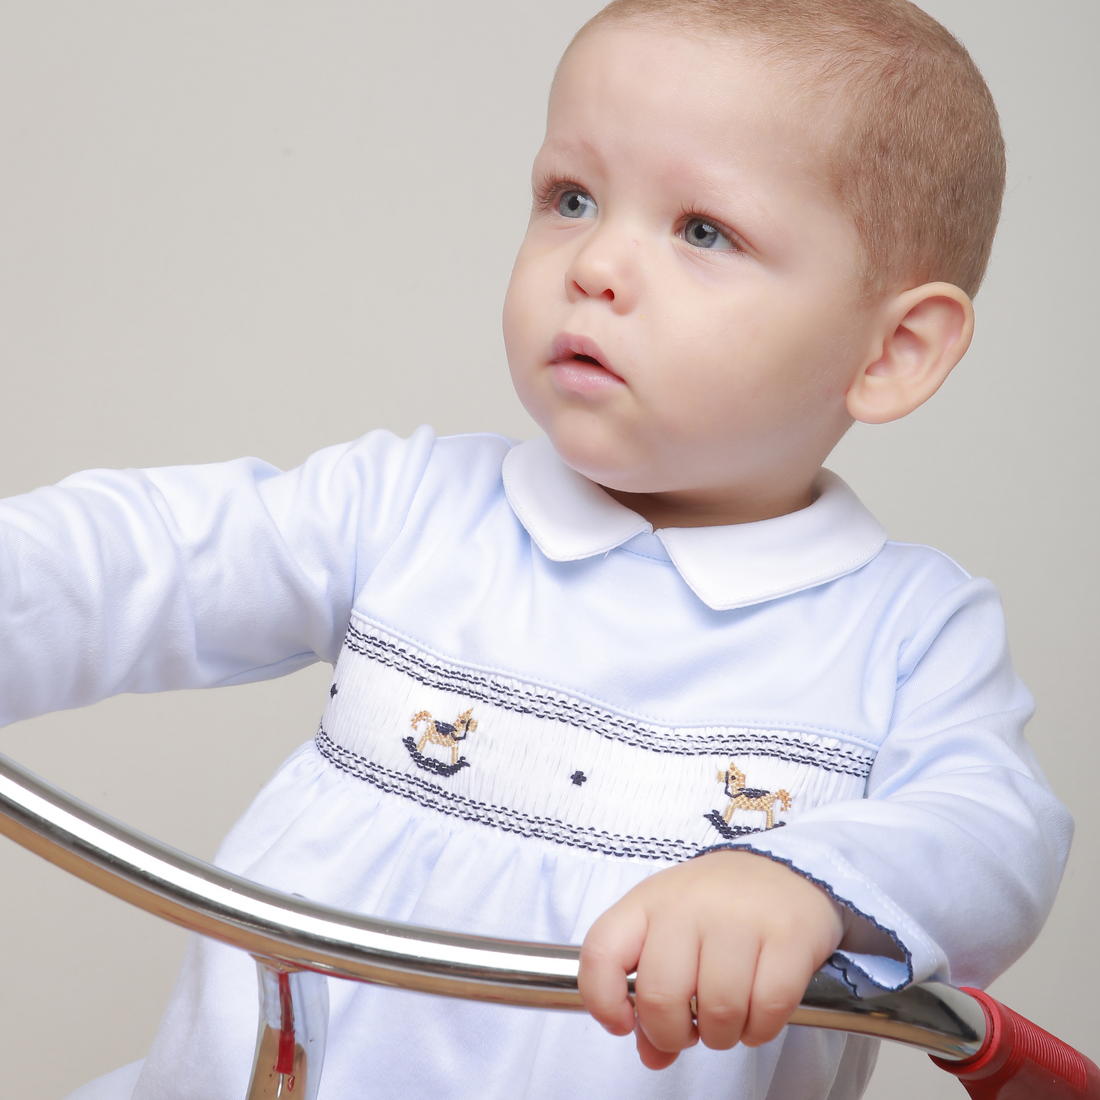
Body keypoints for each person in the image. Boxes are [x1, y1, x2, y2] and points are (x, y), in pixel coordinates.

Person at [0, 1, 1072, 1098]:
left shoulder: (899, 629)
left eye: (703, 229)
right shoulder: (411, 508)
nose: (595, 261)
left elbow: (993, 830)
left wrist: (799, 883)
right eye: (571, 198)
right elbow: (143, 560)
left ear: (890, 350)